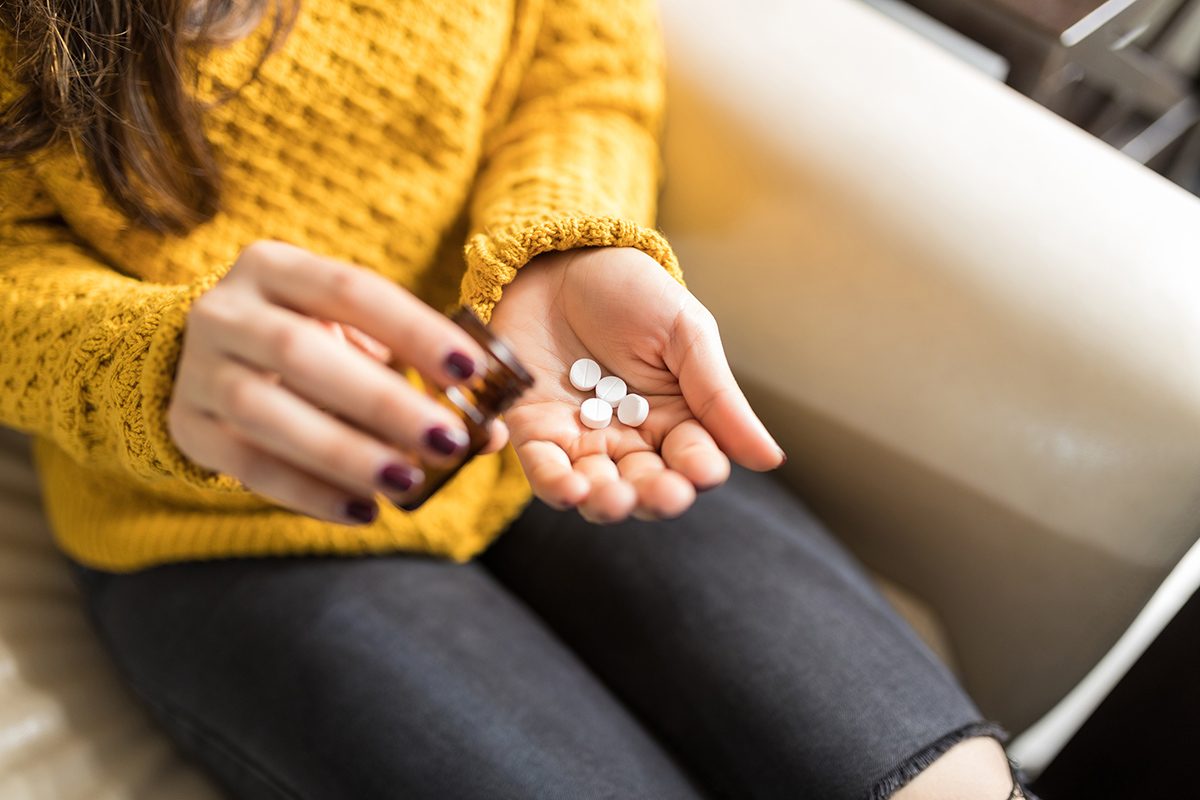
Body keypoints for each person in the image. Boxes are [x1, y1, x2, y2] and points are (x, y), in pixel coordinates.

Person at [0, 0, 1033, 797]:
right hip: (224, 518)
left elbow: (576, 53)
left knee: (940, 780)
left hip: (549, 411)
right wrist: (154, 364)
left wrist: (561, 239)